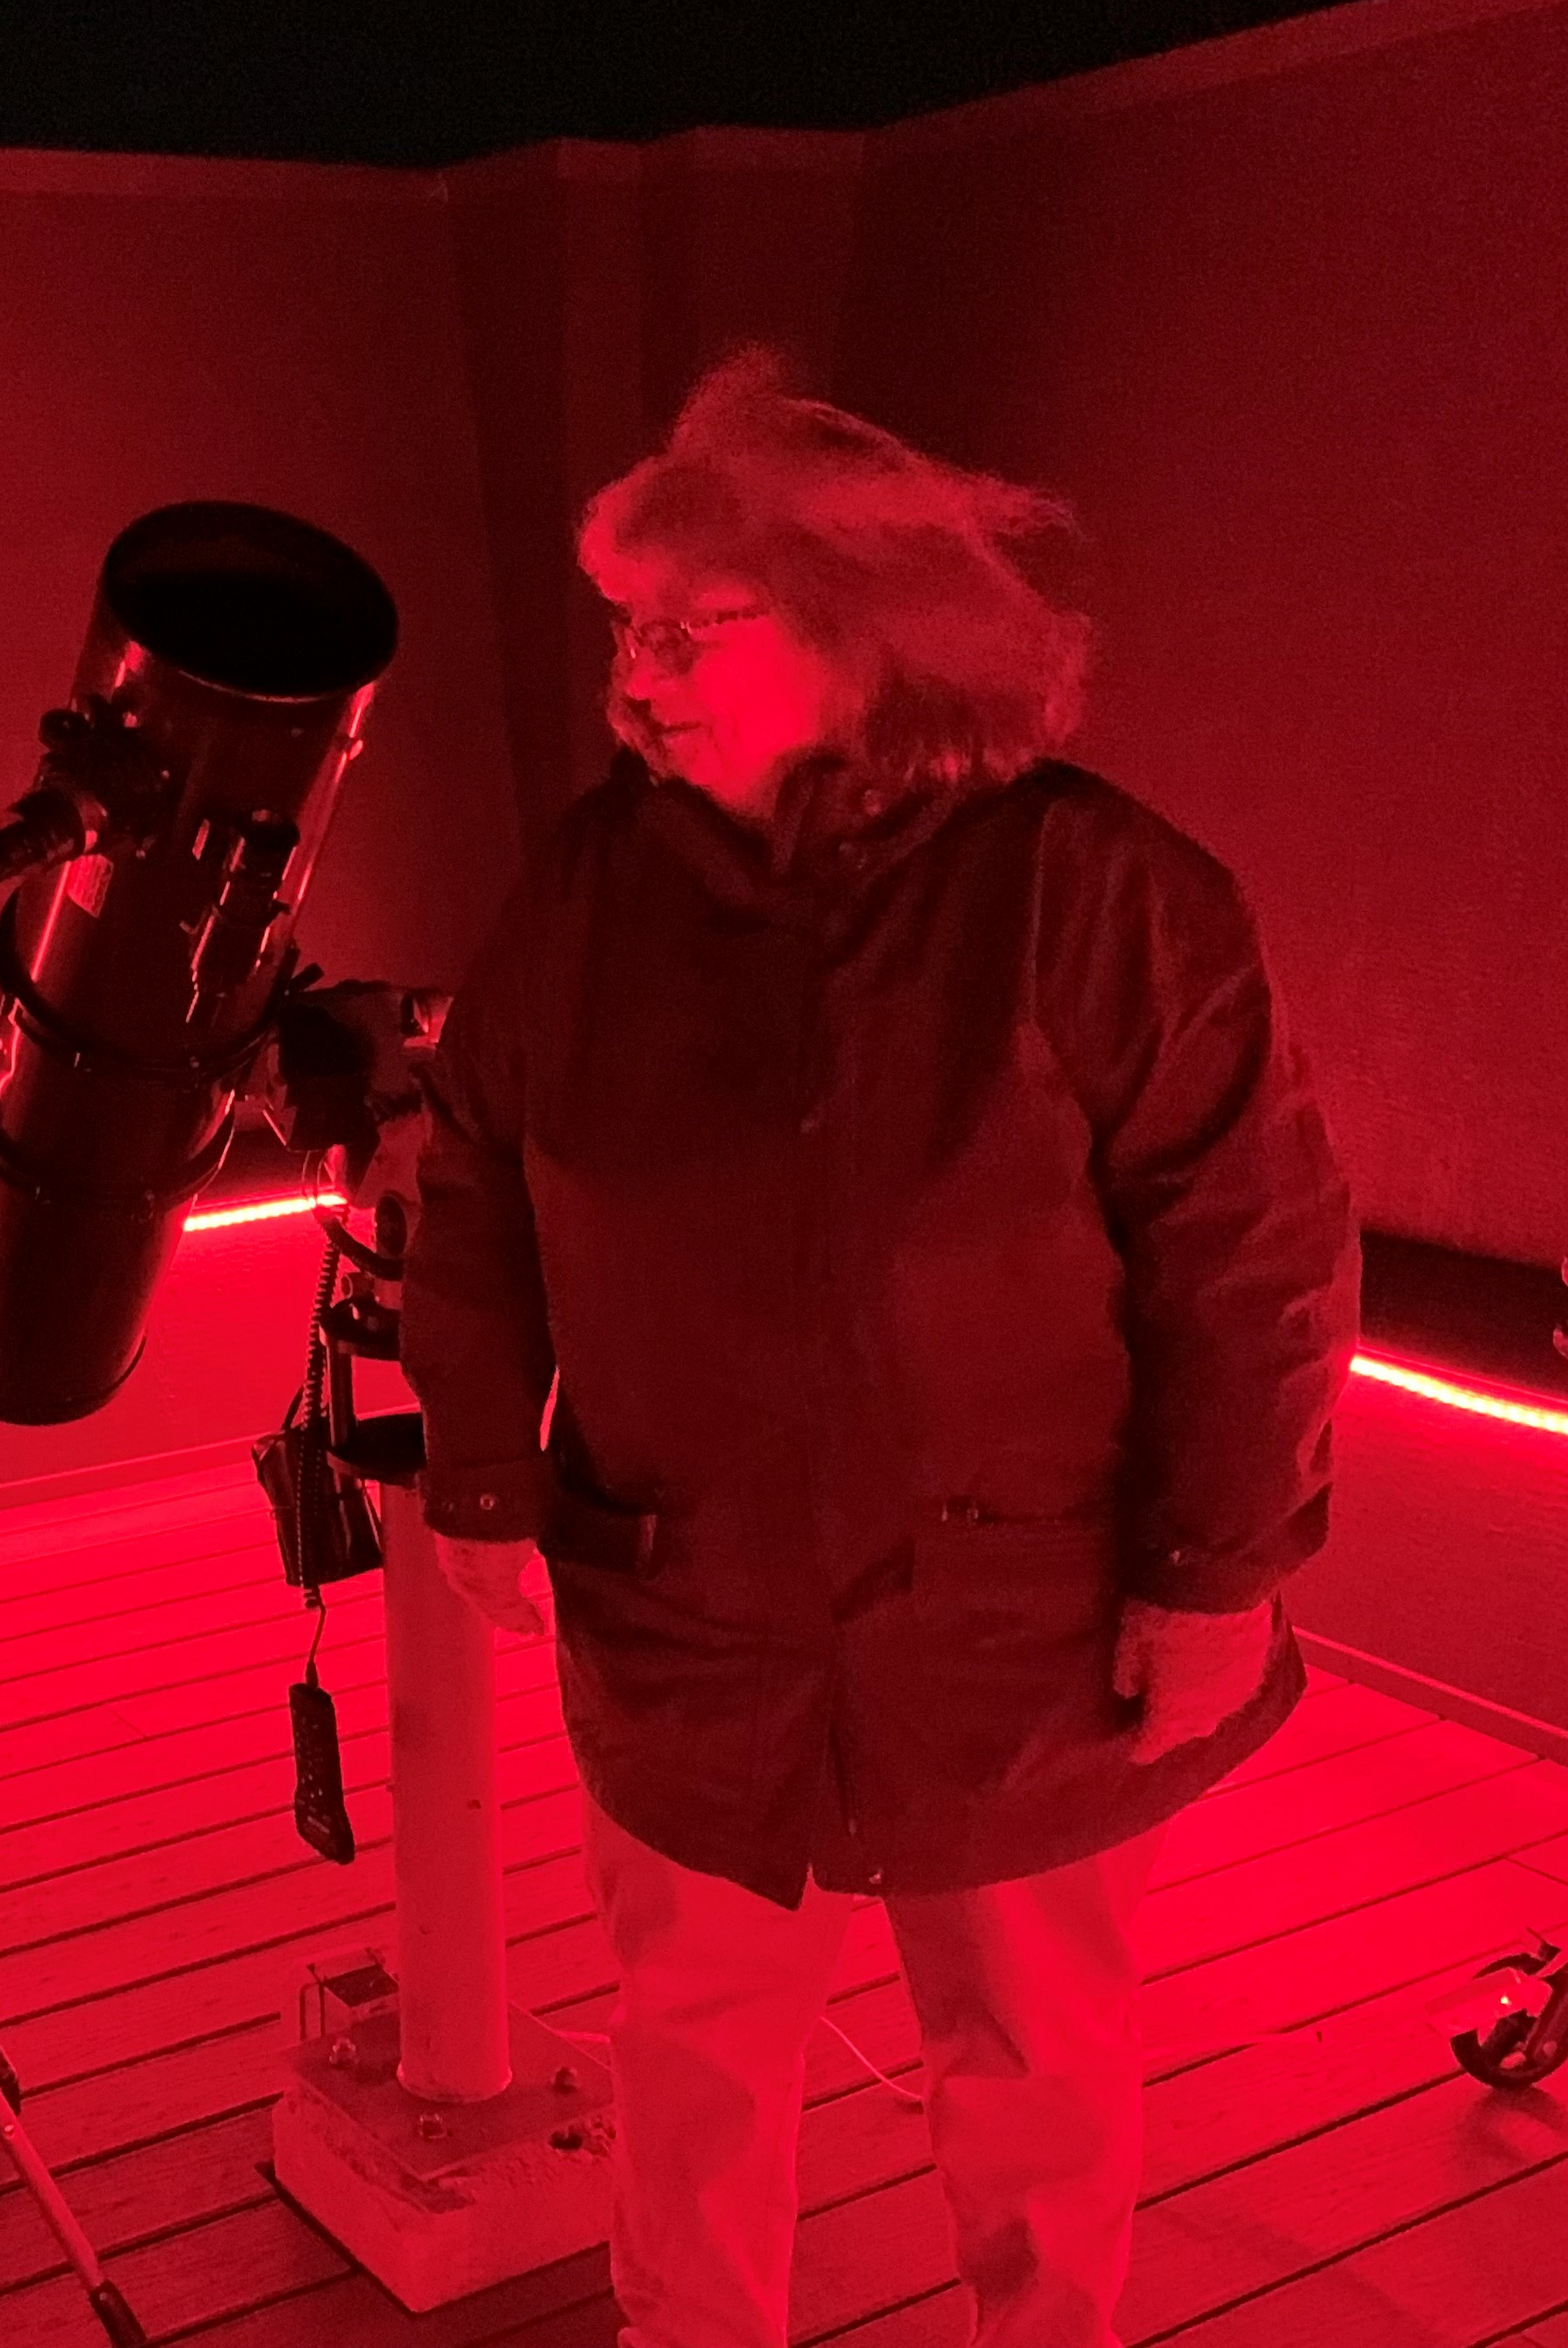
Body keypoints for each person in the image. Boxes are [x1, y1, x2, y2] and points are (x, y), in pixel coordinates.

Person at [398, 352, 1361, 2348]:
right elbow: (476, 1179)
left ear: (871, 643)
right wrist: (483, 1474)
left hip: (1018, 1611)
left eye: (687, 630)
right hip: (687, 1597)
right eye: (625, 633)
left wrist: (1219, 1575)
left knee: (1028, 2047)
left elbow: (1250, 1250)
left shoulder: (1096, 890)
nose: (634, 679)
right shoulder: (589, 888)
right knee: (693, 2042)